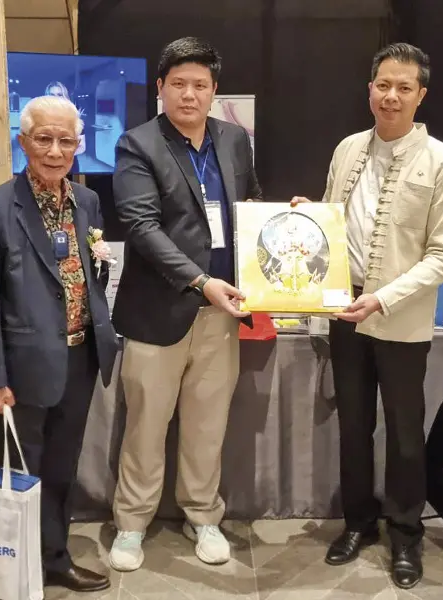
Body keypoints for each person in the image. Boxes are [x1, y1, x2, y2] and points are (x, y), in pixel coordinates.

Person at [292, 43, 443, 589]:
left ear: (421, 95)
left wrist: (384, 297)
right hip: (344, 310)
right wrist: (307, 218)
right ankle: (358, 522)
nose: (391, 96)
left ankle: (406, 533)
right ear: (369, 89)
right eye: (383, 85)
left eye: (404, 87)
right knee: (353, 426)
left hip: (401, 317)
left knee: (405, 432)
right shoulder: (348, 148)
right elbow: (332, 221)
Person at [108, 37, 262, 572]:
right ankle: (131, 523)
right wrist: (200, 281)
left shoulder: (234, 140)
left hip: (222, 314)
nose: (189, 94)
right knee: (146, 426)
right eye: (178, 84)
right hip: (157, 313)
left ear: (215, 90)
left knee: (206, 424)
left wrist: (285, 220)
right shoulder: (137, 144)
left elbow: (249, 208)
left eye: (199, 85)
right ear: (161, 88)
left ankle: (202, 514)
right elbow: (141, 226)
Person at [0, 95, 118, 593]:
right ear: (23, 142)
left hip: (80, 358)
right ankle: (13, 566)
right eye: (44, 139)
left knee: (62, 468)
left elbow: (91, 273)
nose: (55, 151)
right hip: (22, 368)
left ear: (79, 145)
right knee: (18, 473)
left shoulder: (86, 201)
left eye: (65, 140)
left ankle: (54, 557)